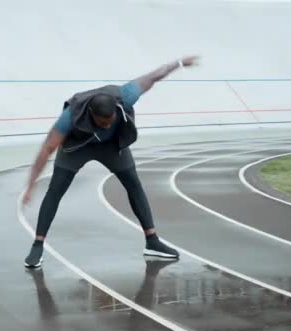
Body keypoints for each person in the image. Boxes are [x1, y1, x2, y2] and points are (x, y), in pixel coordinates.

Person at [22, 55, 200, 268]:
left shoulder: (125, 96)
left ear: (116, 109)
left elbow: (154, 76)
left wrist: (179, 63)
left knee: (134, 185)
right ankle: (38, 245)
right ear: (90, 114)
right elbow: (47, 149)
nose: (106, 124)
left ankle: (152, 241)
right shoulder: (70, 117)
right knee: (56, 190)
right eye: (102, 122)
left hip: (111, 146)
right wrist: (30, 186)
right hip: (78, 146)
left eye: (110, 121)